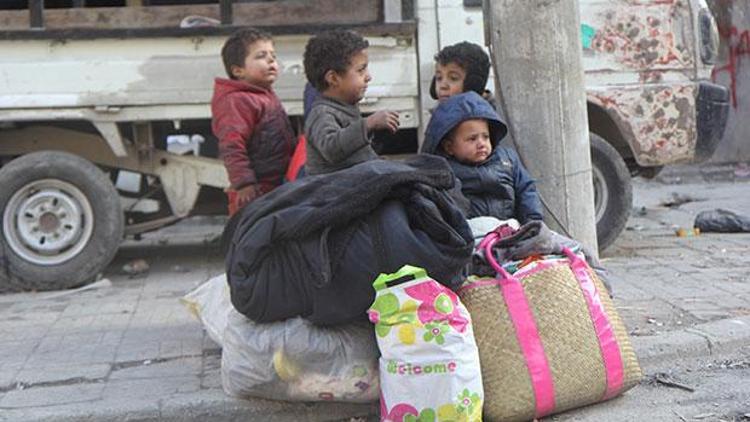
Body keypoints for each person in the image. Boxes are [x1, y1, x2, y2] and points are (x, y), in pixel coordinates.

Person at [421, 91, 543, 224]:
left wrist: (533, 222)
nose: (481, 144)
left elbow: (526, 190)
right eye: (472, 139)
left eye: (485, 136)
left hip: (510, 230)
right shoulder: (444, 170)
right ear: (449, 147)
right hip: (470, 234)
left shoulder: (507, 159)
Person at [211, 27, 296, 214]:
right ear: (238, 70)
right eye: (261, 56)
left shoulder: (264, 94)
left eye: (273, 55)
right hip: (254, 190)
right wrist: (244, 184)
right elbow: (232, 145)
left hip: (274, 184)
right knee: (255, 238)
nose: (271, 60)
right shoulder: (236, 100)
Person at [303, 29, 400, 175]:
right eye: (361, 70)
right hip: (334, 192)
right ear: (334, 78)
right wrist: (368, 124)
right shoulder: (321, 113)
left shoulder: (345, 106)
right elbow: (332, 149)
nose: (368, 77)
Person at [430, 41, 494, 104]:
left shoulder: (485, 113)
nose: (443, 86)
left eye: (453, 78)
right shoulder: (441, 112)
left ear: (474, 84)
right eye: (439, 78)